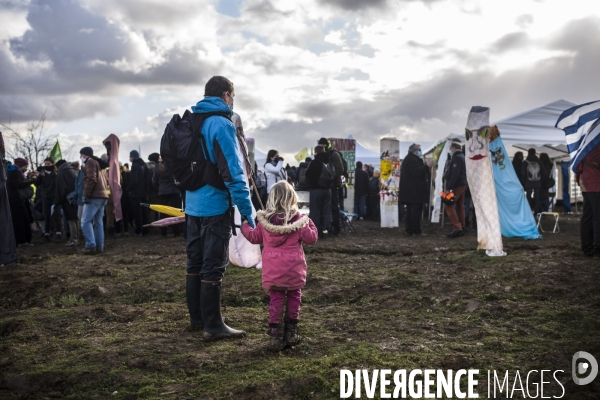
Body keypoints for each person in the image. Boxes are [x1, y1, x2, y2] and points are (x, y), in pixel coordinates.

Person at [185, 75, 254, 341]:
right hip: (215, 206)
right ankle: (213, 326)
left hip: (191, 204)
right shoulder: (221, 124)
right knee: (213, 264)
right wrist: (247, 212)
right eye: (233, 96)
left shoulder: (193, 121)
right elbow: (234, 173)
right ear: (226, 94)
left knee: (195, 262)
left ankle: (198, 317)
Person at [241, 181, 318, 348]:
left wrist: (245, 226)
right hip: (293, 269)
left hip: (273, 270)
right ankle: (291, 331)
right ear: (292, 199)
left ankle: (274, 334)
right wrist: (309, 222)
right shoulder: (298, 221)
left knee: (276, 298)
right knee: (294, 296)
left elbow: (254, 237)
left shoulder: (264, 223)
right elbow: (311, 239)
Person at [398, 143, 434, 236]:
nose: (420, 151)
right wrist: (427, 166)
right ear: (415, 151)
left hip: (410, 191)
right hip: (415, 191)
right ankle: (415, 230)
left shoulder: (408, 159)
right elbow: (417, 172)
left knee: (410, 211)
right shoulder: (412, 160)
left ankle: (409, 229)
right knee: (415, 211)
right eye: (419, 150)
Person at [80, 147, 109, 254]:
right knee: (98, 222)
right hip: (103, 196)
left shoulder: (90, 162)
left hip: (94, 196)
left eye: (81, 155)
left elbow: (91, 178)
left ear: (85, 154)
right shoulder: (99, 164)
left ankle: (90, 245)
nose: (80, 157)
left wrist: (86, 194)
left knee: (85, 222)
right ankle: (99, 246)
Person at [577, 144, 600, 258]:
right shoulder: (596, 144)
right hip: (595, 183)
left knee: (588, 216)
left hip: (585, 181)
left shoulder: (584, 143)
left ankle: (587, 248)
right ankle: (597, 250)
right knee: (597, 217)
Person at [318, 138, 344, 236]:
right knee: (327, 206)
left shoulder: (334, 154)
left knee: (334, 205)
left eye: (321, 145)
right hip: (326, 184)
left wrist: (331, 177)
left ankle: (336, 228)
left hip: (332, 184)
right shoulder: (324, 155)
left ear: (324, 145)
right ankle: (328, 227)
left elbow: (340, 169)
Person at [305, 145, 332, 238]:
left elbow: (307, 174)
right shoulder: (329, 161)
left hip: (316, 189)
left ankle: (316, 231)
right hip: (328, 190)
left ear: (315, 152)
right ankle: (325, 231)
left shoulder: (315, 162)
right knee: (326, 211)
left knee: (315, 211)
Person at [6, 158, 34, 245]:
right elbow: (19, 184)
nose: (26, 168)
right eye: (25, 166)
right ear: (21, 165)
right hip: (16, 199)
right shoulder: (15, 172)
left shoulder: (12, 171)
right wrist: (31, 180)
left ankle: (22, 240)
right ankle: (22, 240)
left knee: (21, 219)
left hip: (14, 199)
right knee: (21, 220)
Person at [153, 156, 182, 237]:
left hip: (163, 192)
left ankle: (164, 232)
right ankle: (177, 232)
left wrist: (159, 188)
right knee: (175, 211)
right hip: (174, 191)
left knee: (163, 212)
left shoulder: (158, 166)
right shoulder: (173, 165)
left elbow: (154, 180)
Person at [443, 142, 468, 237]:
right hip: (463, 184)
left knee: (449, 205)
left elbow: (455, 173)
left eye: (450, 148)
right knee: (460, 205)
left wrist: (449, 187)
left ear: (454, 147)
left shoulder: (456, 157)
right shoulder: (463, 156)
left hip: (457, 185)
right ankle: (462, 225)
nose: (450, 150)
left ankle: (457, 228)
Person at [35, 157, 61, 241]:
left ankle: (58, 232)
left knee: (56, 215)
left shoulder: (56, 173)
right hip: (45, 197)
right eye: (45, 164)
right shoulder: (42, 174)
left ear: (52, 164)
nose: (46, 165)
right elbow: (37, 183)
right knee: (46, 215)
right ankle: (47, 232)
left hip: (55, 197)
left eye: (48, 164)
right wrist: (39, 176)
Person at [54, 159, 79, 246]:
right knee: (76, 218)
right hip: (77, 197)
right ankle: (77, 237)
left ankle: (73, 239)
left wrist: (57, 202)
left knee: (71, 220)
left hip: (67, 200)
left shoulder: (61, 173)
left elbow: (60, 189)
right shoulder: (74, 170)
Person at [128, 150, 150, 236]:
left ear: (132, 157)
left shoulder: (135, 166)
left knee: (138, 212)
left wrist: (129, 188)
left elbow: (134, 180)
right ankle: (146, 230)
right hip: (144, 192)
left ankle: (138, 230)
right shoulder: (144, 165)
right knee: (145, 211)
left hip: (136, 193)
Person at [521, 148, 547, 214]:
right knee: (537, 198)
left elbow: (523, 173)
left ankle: (528, 212)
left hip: (528, 182)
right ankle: (537, 212)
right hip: (537, 182)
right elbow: (544, 172)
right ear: (535, 153)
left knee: (528, 197)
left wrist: (524, 182)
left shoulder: (525, 162)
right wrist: (541, 180)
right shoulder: (539, 161)